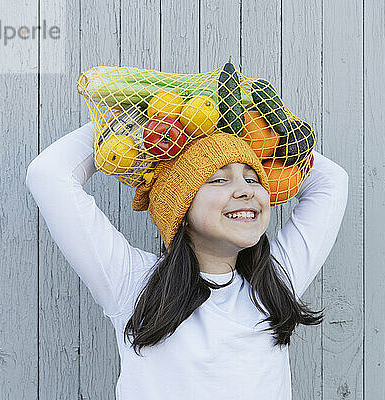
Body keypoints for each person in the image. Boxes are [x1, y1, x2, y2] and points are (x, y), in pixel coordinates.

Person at [25, 121, 349, 400]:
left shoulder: (271, 285)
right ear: (179, 210)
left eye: (253, 179)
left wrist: (260, 125)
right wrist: (144, 118)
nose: (246, 190)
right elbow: (49, 174)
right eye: (219, 179)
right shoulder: (132, 283)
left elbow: (331, 181)